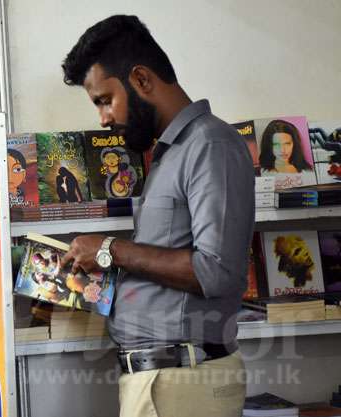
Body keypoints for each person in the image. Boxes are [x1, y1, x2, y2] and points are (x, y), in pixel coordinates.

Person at [60, 15, 255, 417]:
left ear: (142, 79)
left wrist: (110, 250)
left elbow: (216, 271)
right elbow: (166, 262)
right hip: (163, 381)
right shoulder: (170, 152)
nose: (103, 118)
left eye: (104, 99)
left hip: (184, 382)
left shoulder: (210, 145)